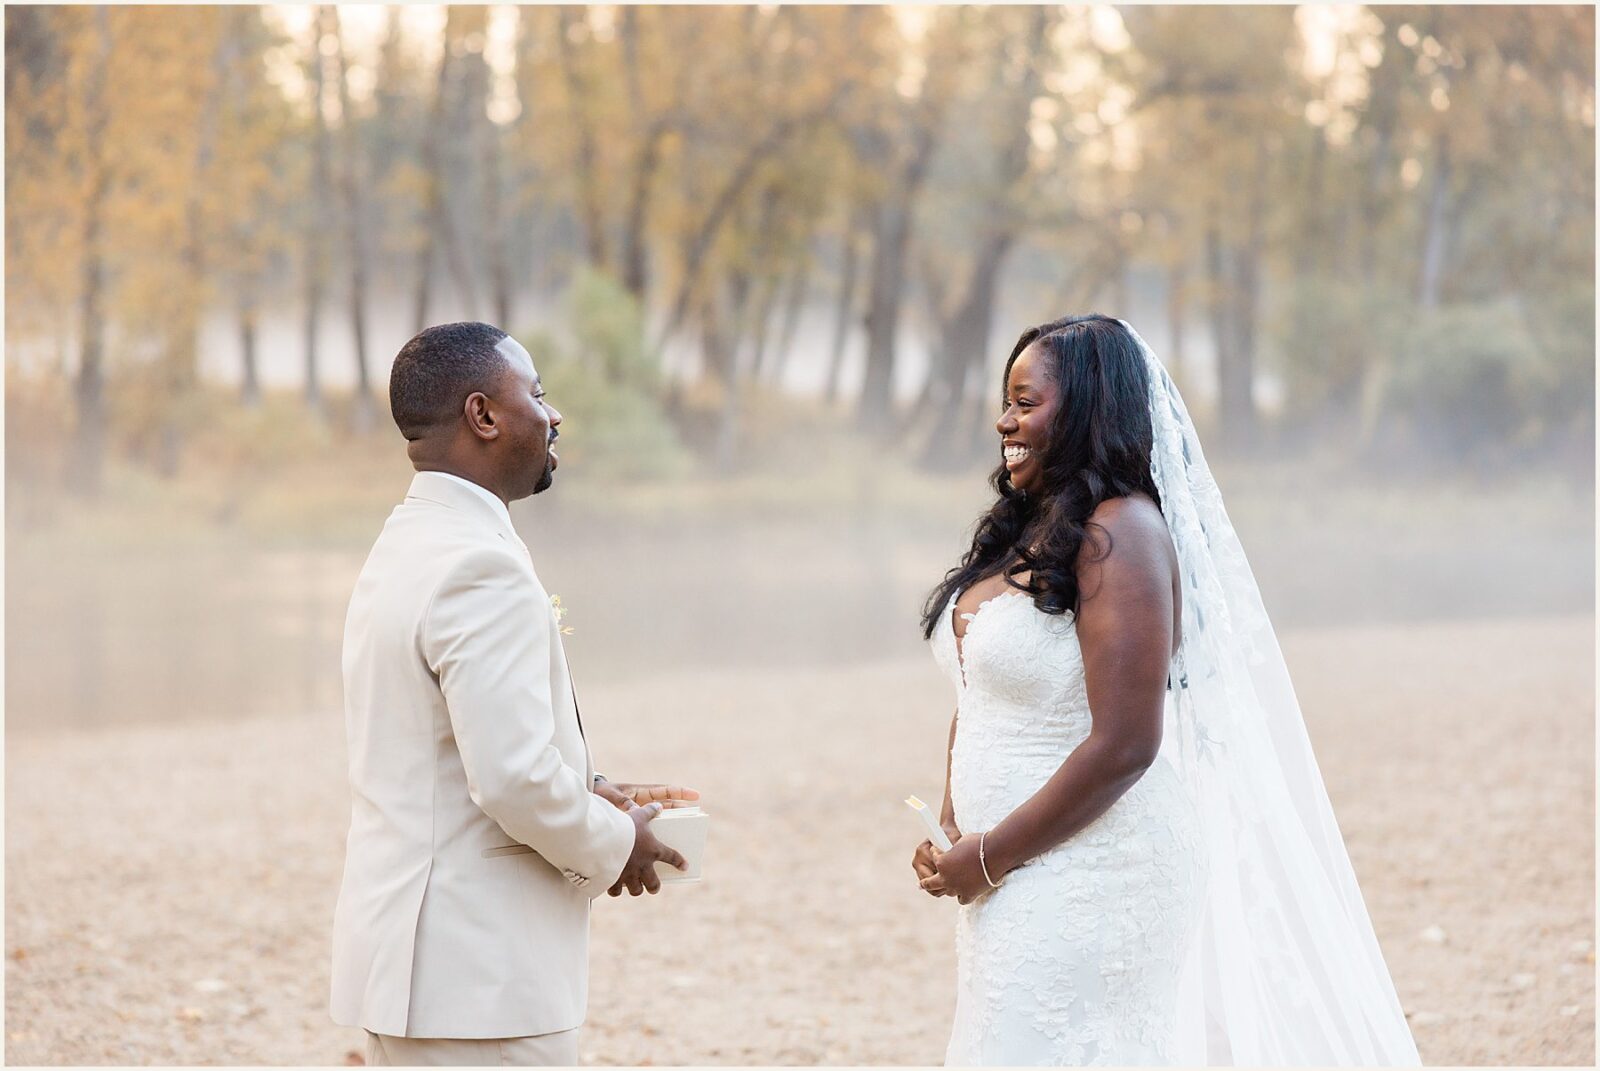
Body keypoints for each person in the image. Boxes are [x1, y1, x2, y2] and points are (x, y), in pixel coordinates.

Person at [912, 315, 1420, 1065]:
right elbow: (984, 682)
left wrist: (990, 854)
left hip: (1094, 862)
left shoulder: (1122, 534)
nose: (1004, 419)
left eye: (1025, 400)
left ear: (1087, 405)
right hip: (1013, 865)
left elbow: (1126, 743)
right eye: (1005, 400)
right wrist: (958, 814)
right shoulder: (1030, 528)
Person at [330, 321, 697, 1067]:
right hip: (477, 981)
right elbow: (510, 777)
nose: (553, 413)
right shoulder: (478, 566)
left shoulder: (407, 542)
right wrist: (619, 841)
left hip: (411, 965)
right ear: (484, 415)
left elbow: (444, 741)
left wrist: (590, 788)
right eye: (534, 393)